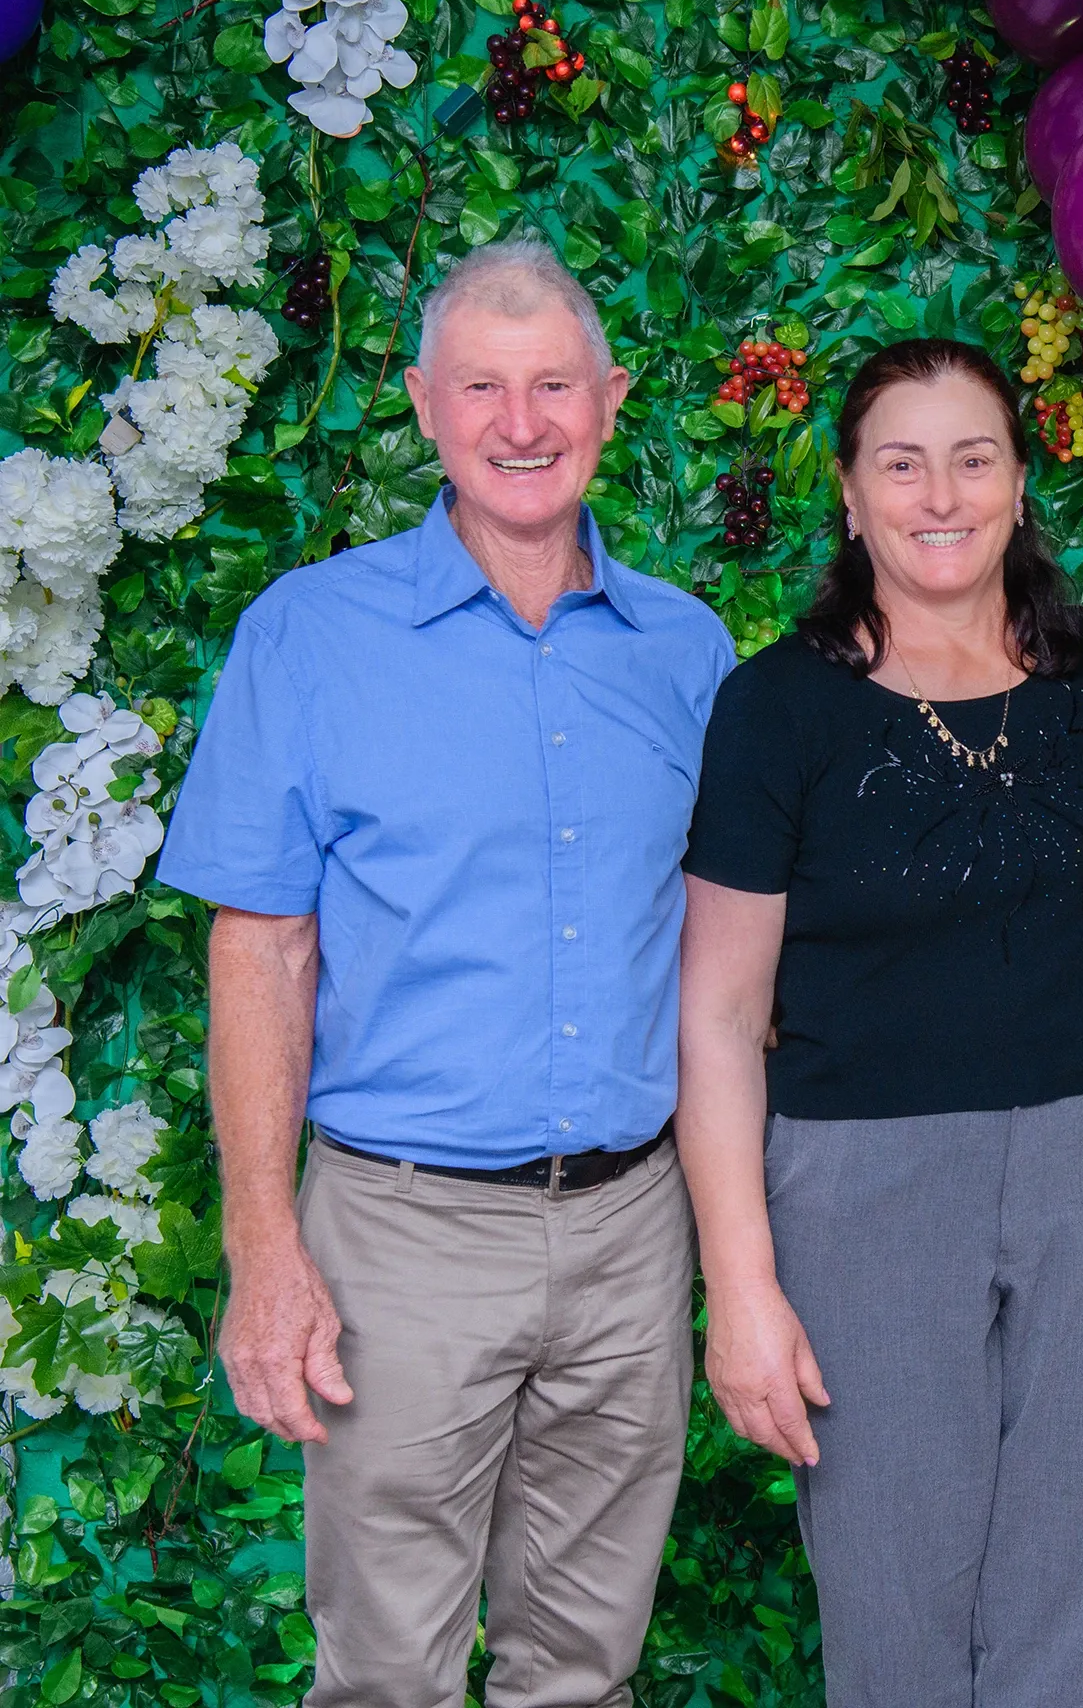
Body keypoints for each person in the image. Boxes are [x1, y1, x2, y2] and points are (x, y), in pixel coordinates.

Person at [156, 240, 735, 1706]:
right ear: (424, 406)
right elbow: (260, 952)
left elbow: (728, 966)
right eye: (483, 385)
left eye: (553, 386)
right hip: (400, 1236)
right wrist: (266, 1254)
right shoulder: (307, 635)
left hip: (630, 1230)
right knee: (384, 1680)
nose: (520, 422)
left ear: (610, 403)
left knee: (584, 1673)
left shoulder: (688, 650)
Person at [675, 337, 1083, 1708]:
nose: (938, 495)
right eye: (902, 463)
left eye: (972, 458)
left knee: (1068, 1589)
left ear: (1019, 483)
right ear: (849, 494)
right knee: (896, 1604)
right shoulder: (780, 710)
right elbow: (718, 1017)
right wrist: (742, 1287)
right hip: (865, 1183)